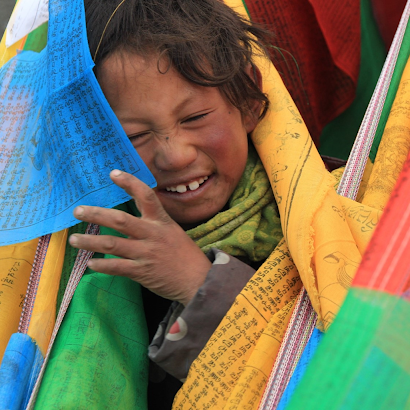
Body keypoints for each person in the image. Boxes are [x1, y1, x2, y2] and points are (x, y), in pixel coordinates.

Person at [66, 0, 284, 405]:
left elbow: (323, 364)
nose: (175, 156)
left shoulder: (315, 211)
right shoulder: (90, 243)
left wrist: (196, 283)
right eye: (134, 136)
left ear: (249, 103)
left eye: (196, 117)